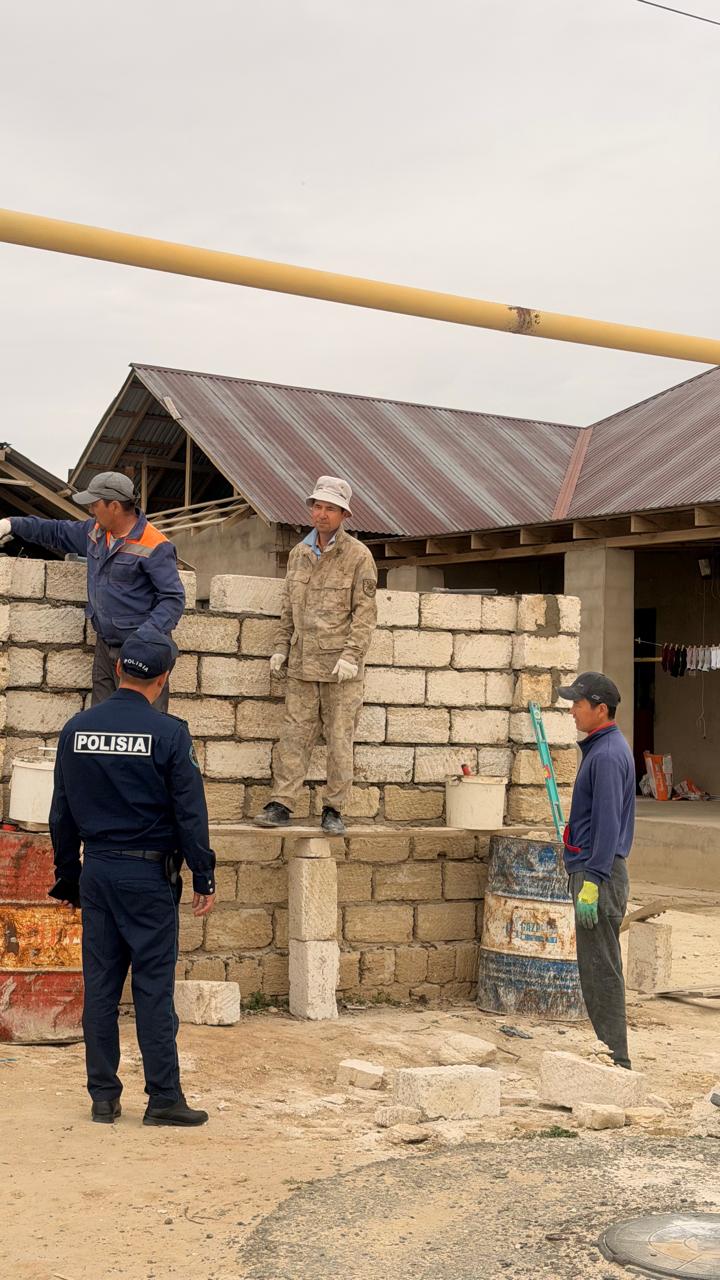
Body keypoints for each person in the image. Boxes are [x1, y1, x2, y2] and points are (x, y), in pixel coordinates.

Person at [48, 628, 216, 1127]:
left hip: (97, 871)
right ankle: (163, 1098)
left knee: (100, 986)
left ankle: (103, 1097)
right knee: (152, 988)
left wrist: (67, 875)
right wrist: (203, 875)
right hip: (147, 876)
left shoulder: (76, 729)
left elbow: (61, 812)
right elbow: (191, 814)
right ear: (163, 679)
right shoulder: (169, 734)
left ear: (119, 669)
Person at [0, 471, 185, 710]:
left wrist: (143, 639)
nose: (91, 510)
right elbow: (55, 531)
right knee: (102, 721)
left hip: (142, 652)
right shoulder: (95, 533)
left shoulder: (154, 545)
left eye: (95, 504)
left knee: (143, 726)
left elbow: (173, 600)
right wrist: (11, 524)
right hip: (105, 647)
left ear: (115, 506)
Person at [257, 476, 377, 836]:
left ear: (344, 513)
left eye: (330, 508)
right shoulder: (299, 554)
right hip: (302, 664)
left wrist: (352, 654)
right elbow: (288, 609)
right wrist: (281, 648)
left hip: (341, 669)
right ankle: (282, 802)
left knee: (340, 739)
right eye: (317, 506)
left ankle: (334, 808)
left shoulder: (358, 556)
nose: (321, 514)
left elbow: (366, 612)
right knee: (294, 736)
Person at [557, 671, 635, 1070]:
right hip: (597, 870)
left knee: (600, 969)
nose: (572, 710)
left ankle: (616, 1059)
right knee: (600, 965)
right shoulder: (606, 748)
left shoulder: (605, 756)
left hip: (597, 875)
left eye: (578, 703)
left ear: (600, 709)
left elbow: (606, 824)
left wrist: (593, 881)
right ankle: (612, 1052)